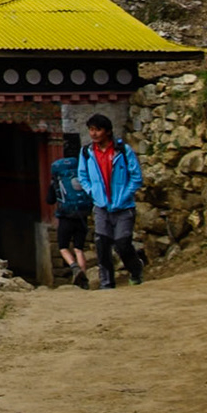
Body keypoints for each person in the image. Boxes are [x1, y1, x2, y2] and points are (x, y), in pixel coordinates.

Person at [76, 113, 144, 289]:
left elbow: (136, 177)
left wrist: (126, 194)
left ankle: (135, 269)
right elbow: (82, 176)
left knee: (122, 243)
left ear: (107, 131)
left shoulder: (123, 151)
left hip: (124, 206)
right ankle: (107, 283)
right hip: (101, 206)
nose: (94, 134)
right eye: (91, 130)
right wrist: (92, 192)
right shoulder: (87, 152)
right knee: (102, 244)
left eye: (97, 129)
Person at [48, 133, 92, 288]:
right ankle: (84, 279)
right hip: (82, 216)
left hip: (65, 217)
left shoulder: (57, 181)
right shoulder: (80, 176)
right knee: (79, 249)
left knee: (63, 247)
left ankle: (74, 267)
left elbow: (50, 200)